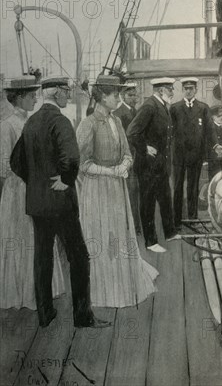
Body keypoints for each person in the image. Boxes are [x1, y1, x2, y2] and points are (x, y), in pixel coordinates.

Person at [11, 76, 109, 328]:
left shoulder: (31, 121)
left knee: (43, 257)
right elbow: (72, 158)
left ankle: (45, 315)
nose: (69, 96)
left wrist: (36, 182)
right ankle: (83, 317)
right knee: (79, 257)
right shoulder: (59, 120)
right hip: (60, 204)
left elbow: (16, 162)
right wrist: (65, 180)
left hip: (37, 203)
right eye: (66, 92)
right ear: (57, 93)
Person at [77, 75, 158, 307]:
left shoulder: (117, 122)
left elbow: (127, 153)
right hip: (97, 189)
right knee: (103, 235)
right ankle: (105, 289)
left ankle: (123, 281)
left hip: (117, 188)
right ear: (102, 97)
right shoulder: (88, 124)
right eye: (115, 94)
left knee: (119, 234)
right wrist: (112, 171)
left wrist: (124, 165)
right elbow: (83, 164)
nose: (118, 98)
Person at [0, 76, 64, 310]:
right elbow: (4, 166)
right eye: (31, 96)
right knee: (22, 238)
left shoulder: (33, 122)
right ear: (18, 98)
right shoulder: (7, 126)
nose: (35, 98)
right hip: (18, 191)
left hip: (35, 188)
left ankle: (42, 289)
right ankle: (23, 292)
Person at [127, 78, 179, 253]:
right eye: (170, 89)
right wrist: (144, 148)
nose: (172, 92)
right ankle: (151, 242)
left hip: (160, 166)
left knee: (165, 200)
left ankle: (170, 233)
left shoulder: (162, 106)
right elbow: (132, 132)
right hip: (148, 166)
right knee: (148, 203)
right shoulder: (149, 106)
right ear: (160, 90)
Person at [170, 77, 210, 228]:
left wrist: (208, 152)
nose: (188, 91)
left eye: (191, 88)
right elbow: (169, 132)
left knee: (193, 187)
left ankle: (192, 218)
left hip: (196, 155)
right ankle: (177, 220)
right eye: (186, 88)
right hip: (179, 155)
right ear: (182, 90)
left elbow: (208, 132)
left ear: (196, 90)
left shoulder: (203, 108)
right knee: (178, 187)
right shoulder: (174, 108)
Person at [113, 79, 141, 233]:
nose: (134, 98)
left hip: (138, 160)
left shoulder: (137, 112)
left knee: (136, 194)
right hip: (126, 160)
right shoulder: (118, 114)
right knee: (127, 194)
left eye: (135, 96)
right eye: (130, 95)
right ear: (123, 96)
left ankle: (136, 226)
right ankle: (129, 227)